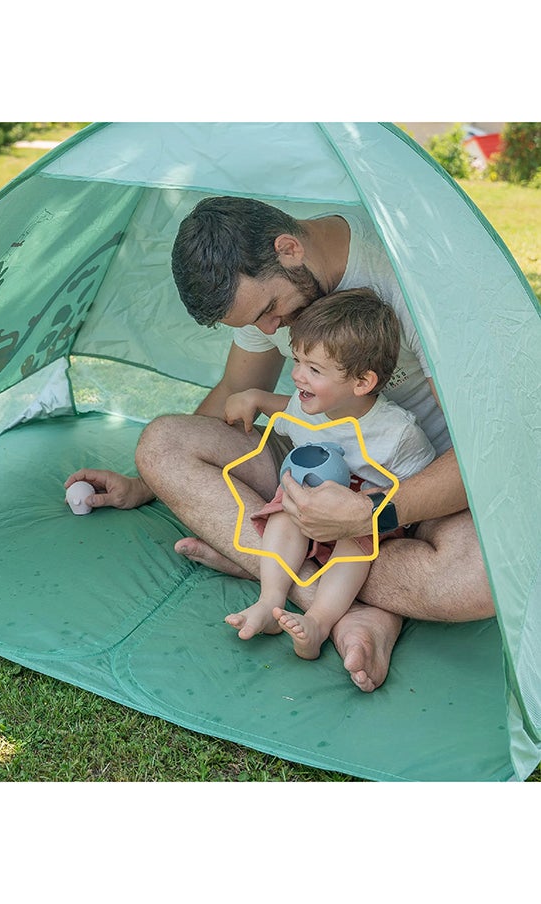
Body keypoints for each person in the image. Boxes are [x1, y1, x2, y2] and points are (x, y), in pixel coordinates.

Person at [65, 196, 494, 693]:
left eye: (269, 310)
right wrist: (146, 484)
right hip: (310, 464)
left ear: (289, 248)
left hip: (423, 482)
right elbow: (233, 392)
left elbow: (484, 454)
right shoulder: (271, 304)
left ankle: (270, 567)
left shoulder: (409, 279)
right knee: (162, 443)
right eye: (255, 323)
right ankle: (335, 606)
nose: (271, 330)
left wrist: (371, 514)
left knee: (477, 579)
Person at [223, 288, 436, 660]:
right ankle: (270, 601)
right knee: (285, 513)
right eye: (297, 359)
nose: (297, 375)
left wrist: (372, 514)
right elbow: (287, 411)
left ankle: (319, 622)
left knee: (352, 546)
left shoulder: (397, 434)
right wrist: (255, 397)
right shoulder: (308, 405)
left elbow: (425, 486)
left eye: (314, 369)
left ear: (362, 383)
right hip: (310, 504)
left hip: (361, 520)